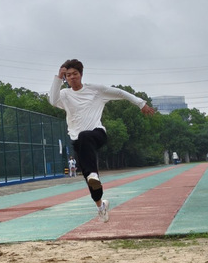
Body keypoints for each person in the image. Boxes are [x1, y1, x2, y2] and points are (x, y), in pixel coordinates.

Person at [49, 59, 155, 222]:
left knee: (85, 138)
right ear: (66, 78)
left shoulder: (95, 90)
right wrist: (58, 78)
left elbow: (119, 93)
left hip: (96, 134)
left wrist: (141, 104)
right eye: (68, 75)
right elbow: (52, 100)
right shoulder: (64, 95)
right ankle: (101, 206)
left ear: (81, 74)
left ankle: (93, 175)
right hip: (78, 141)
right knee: (90, 178)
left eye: (75, 74)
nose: (72, 77)